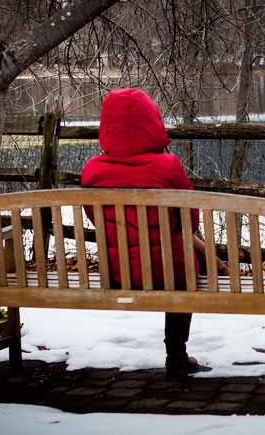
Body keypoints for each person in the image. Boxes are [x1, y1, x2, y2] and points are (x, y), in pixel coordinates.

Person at [81, 88, 226, 376]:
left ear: (107, 125)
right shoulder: (168, 166)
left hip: (117, 272)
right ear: (152, 122)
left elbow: (95, 220)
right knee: (180, 269)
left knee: (181, 254)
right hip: (169, 273)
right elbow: (190, 222)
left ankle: (218, 269)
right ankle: (177, 355)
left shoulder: (92, 170)